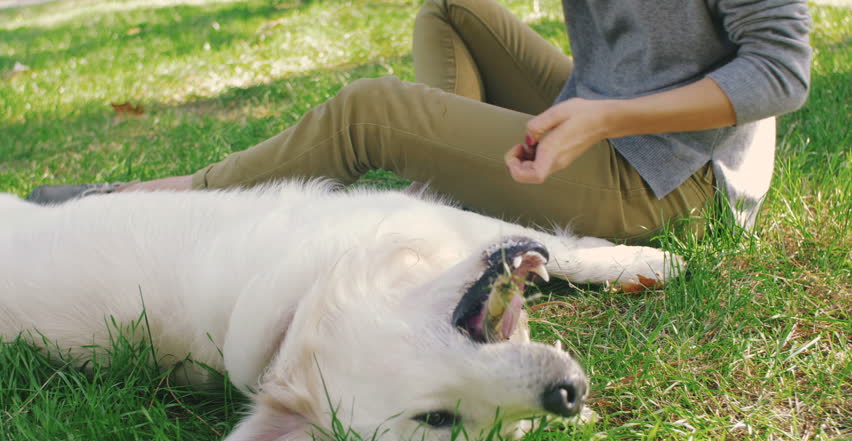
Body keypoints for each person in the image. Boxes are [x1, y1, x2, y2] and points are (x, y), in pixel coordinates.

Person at [26, 0, 812, 243]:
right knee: (448, 6)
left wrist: (605, 118)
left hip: (672, 182)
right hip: (595, 114)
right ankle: (459, 192)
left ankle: (157, 204)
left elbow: (782, 70)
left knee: (370, 111)